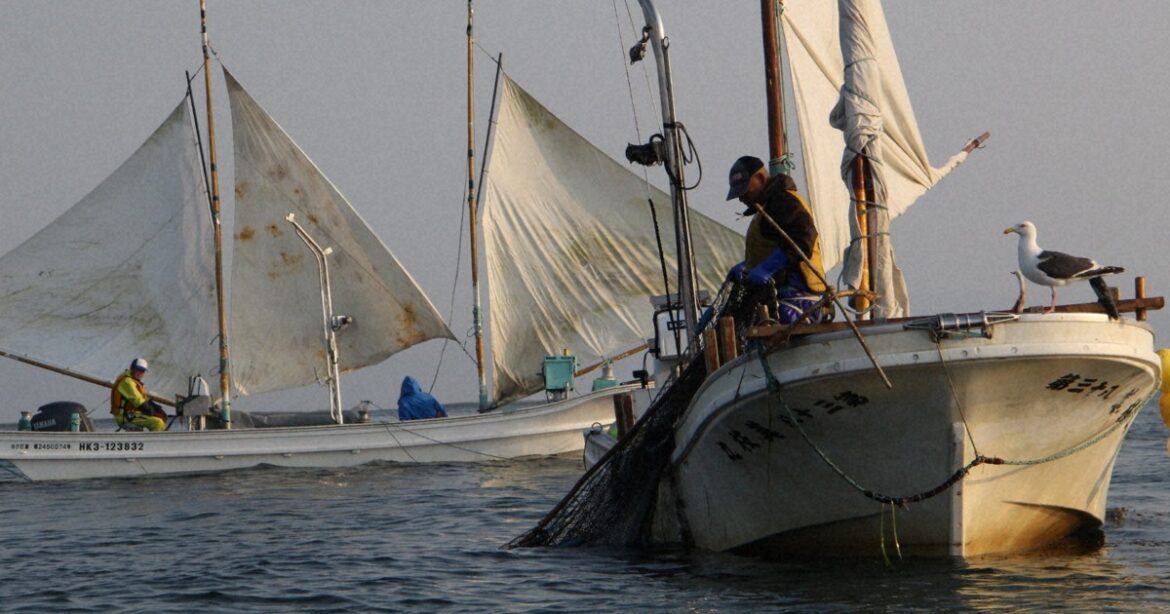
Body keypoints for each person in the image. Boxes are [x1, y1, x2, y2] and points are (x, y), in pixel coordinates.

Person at [725, 155, 828, 324]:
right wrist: (748, 266)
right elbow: (773, 246)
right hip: (780, 297)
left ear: (760, 178)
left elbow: (803, 240)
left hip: (799, 299)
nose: (741, 198)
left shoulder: (783, 201)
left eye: (745, 190)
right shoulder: (766, 208)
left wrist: (767, 268)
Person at [110, 358, 167, 432]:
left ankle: (150, 441)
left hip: (131, 414)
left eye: (142, 371)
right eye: (138, 369)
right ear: (132, 369)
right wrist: (152, 412)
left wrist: (157, 408)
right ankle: (155, 443)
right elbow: (138, 401)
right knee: (158, 423)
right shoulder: (127, 382)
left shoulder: (134, 381)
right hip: (124, 417)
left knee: (159, 419)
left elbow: (144, 399)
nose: (140, 373)